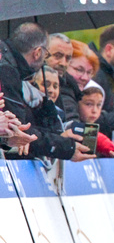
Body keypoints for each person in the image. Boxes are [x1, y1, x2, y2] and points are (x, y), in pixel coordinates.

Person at [0, 23, 87, 161]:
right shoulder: (7, 70)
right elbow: (19, 128)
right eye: (51, 54)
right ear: (38, 53)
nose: (63, 63)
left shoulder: (11, 66)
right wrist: (65, 146)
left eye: (68, 58)